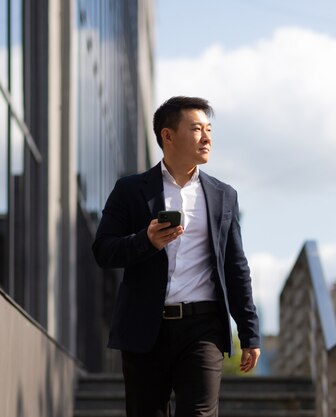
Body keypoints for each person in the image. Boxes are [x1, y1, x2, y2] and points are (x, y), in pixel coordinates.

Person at [92, 96, 260, 417]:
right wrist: (146, 241)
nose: (208, 138)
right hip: (144, 327)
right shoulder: (130, 190)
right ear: (167, 136)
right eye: (197, 129)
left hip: (203, 328)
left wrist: (249, 331)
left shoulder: (223, 195)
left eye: (209, 129)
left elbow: (235, 266)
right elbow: (103, 250)